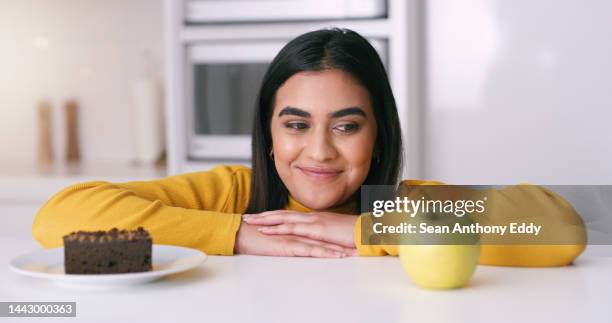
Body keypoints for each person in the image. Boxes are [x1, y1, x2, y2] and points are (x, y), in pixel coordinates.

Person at [32, 28, 586, 266]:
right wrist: (237, 235)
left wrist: (370, 229)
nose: (319, 152)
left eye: (346, 126)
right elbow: (60, 217)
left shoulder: (400, 205)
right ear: (269, 135)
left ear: (379, 135)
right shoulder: (232, 194)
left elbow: (561, 228)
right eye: (296, 124)